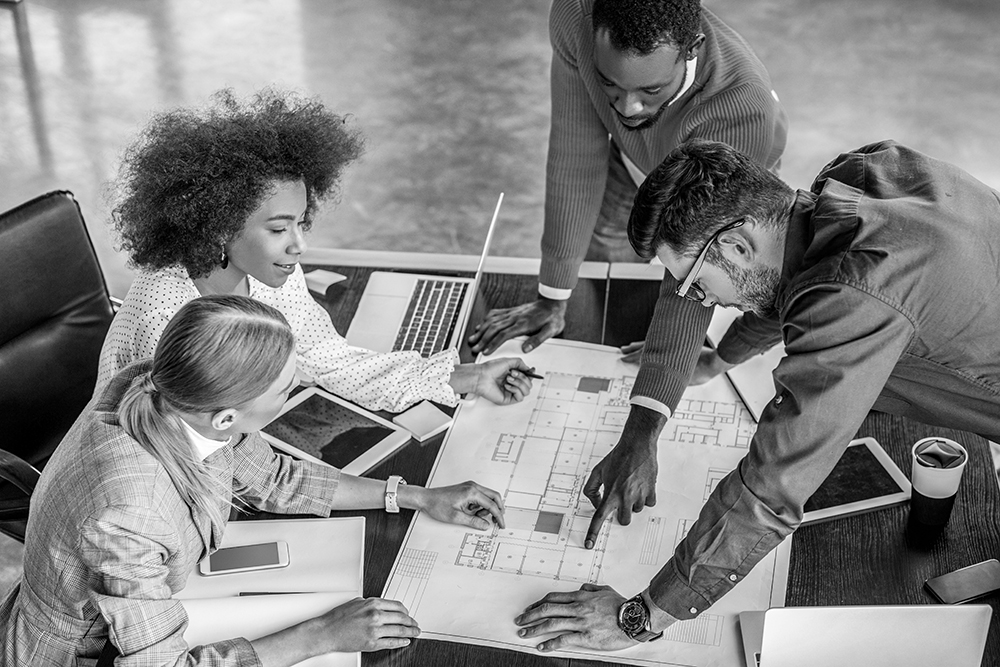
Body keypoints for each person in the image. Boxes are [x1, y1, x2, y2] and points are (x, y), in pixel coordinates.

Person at [512, 138, 1000, 650]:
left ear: (737, 245)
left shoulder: (854, 292)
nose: (700, 302)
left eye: (696, 285)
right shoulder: (861, 174)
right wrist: (722, 359)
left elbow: (771, 488)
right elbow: (793, 281)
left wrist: (641, 616)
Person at [0, 294, 509, 665]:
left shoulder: (165, 388)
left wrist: (414, 495)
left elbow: (272, 475)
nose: (296, 392)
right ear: (225, 417)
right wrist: (320, 635)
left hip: (138, 609)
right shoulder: (127, 514)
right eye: (286, 389)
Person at [99, 88, 533, 413]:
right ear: (218, 227)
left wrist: (469, 377)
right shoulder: (166, 324)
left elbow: (328, 359)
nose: (299, 245)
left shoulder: (271, 276)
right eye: (278, 228)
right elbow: (177, 453)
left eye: (301, 222)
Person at [468, 0, 787, 365]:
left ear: (692, 50)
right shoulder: (576, 16)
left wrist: (668, 362)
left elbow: (695, 262)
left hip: (724, 170)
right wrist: (552, 297)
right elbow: (575, 155)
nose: (627, 108)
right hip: (631, 159)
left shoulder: (742, 109)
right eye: (609, 83)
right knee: (610, 281)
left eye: (651, 90)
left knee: (688, 279)